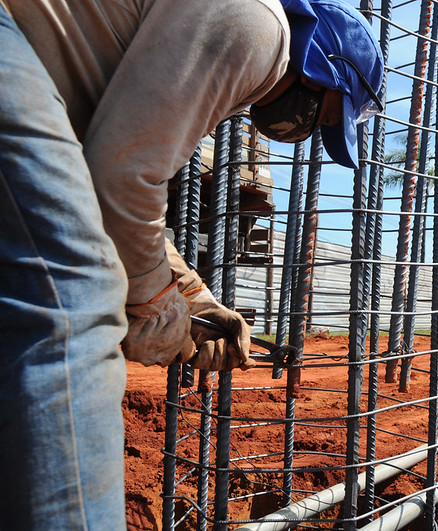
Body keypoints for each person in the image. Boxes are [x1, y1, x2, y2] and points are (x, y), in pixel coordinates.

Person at [0, 0, 383, 528]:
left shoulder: (228, 51)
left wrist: (192, 297)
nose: (305, 128)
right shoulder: (261, 28)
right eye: (317, 115)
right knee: (73, 305)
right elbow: (121, 184)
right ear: (318, 63)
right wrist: (157, 308)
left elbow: (115, 183)